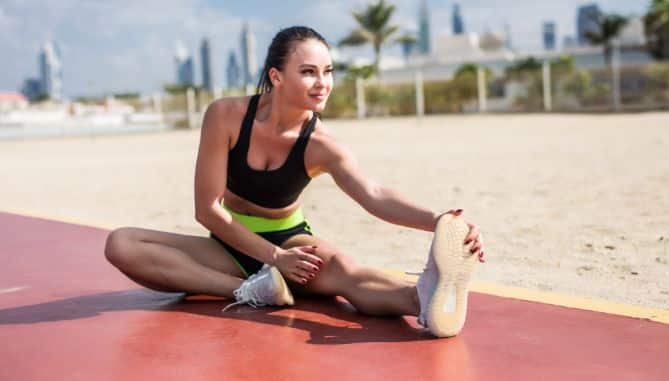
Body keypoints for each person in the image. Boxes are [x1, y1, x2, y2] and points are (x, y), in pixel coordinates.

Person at [104, 26, 485, 338]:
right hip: (228, 246)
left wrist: (439, 222)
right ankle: (250, 290)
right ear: (276, 76)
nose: (323, 83)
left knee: (347, 274)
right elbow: (207, 210)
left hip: (291, 243)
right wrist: (272, 261)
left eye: (329, 71)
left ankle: (422, 299)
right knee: (121, 243)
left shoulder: (321, 145)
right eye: (308, 72)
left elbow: (373, 194)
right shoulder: (227, 116)